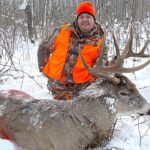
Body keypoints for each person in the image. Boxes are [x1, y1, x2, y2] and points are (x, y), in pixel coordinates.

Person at [37, 2, 107, 100]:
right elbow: (44, 47)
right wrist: (43, 67)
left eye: (88, 17)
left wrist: (94, 78)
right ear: (77, 19)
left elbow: (101, 64)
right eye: (81, 17)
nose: (85, 20)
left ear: (94, 20)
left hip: (82, 88)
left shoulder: (100, 41)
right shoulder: (62, 31)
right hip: (58, 86)